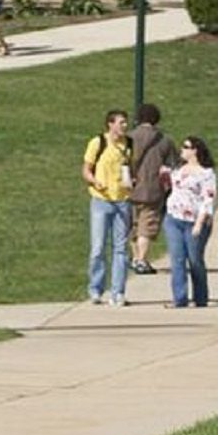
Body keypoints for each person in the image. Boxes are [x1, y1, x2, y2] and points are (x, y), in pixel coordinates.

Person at [81, 108, 133, 305]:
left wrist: (132, 181)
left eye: (126, 122)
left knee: (120, 248)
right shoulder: (98, 143)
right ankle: (95, 288)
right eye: (121, 122)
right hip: (101, 200)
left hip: (122, 199)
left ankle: (118, 291)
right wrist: (94, 181)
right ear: (110, 124)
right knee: (98, 247)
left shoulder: (129, 144)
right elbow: (86, 169)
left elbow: (130, 168)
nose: (124, 126)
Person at [163, 135, 218, 308]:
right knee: (177, 259)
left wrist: (199, 224)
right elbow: (170, 186)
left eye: (186, 147)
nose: (182, 150)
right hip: (174, 218)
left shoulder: (206, 173)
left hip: (195, 222)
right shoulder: (178, 169)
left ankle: (201, 297)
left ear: (195, 150)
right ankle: (179, 298)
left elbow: (208, 200)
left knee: (195, 260)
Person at [127, 102, 175, 275]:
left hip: (130, 188)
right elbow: (172, 165)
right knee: (147, 225)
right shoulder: (164, 140)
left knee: (133, 225)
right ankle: (142, 259)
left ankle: (135, 257)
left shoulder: (129, 138)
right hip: (153, 189)